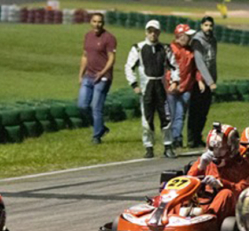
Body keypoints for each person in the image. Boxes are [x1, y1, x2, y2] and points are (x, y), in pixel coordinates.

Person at [125, 20, 175, 159]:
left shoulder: (165, 48)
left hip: (161, 88)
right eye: (150, 31)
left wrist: (174, 82)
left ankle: (168, 146)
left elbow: (174, 66)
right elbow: (129, 67)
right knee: (147, 120)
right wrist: (134, 84)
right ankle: (149, 147)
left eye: (155, 31)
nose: (153, 34)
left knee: (166, 118)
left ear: (159, 32)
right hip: (146, 89)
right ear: (146, 32)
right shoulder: (138, 48)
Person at [187, 123, 249, 219]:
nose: (216, 152)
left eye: (221, 149)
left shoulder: (243, 165)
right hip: (203, 200)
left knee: (226, 193)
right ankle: (170, 216)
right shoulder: (205, 161)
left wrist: (221, 184)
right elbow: (188, 180)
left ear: (232, 148)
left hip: (227, 205)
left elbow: (248, 190)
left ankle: (208, 218)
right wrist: (200, 167)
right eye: (213, 148)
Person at [78, 11, 117, 145]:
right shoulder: (88, 36)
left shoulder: (109, 38)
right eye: (94, 21)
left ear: (103, 23)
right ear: (90, 22)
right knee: (82, 106)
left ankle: (96, 136)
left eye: (99, 22)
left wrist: (102, 73)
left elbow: (111, 58)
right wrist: (80, 74)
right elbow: (85, 56)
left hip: (103, 77)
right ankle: (100, 127)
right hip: (88, 75)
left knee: (96, 107)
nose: (97, 24)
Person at [165, 23, 196, 157]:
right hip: (172, 87)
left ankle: (177, 137)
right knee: (172, 114)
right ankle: (171, 138)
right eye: (187, 36)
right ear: (180, 36)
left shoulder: (190, 51)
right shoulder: (171, 49)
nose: (189, 38)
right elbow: (168, 68)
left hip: (186, 87)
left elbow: (194, 69)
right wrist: (172, 82)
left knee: (181, 114)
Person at [188, 16, 218, 149]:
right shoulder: (197, 41)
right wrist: (209, 81)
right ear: (201, 26)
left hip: (210, 79)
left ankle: (198, 136)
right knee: (196, 110)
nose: (208, 28)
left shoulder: (213, 40)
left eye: (210, 25)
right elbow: (199, 62)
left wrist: (214, 78)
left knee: (204, 112)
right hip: (199, 80)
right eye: (206, 25)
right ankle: (191, 138)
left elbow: (213, 61)